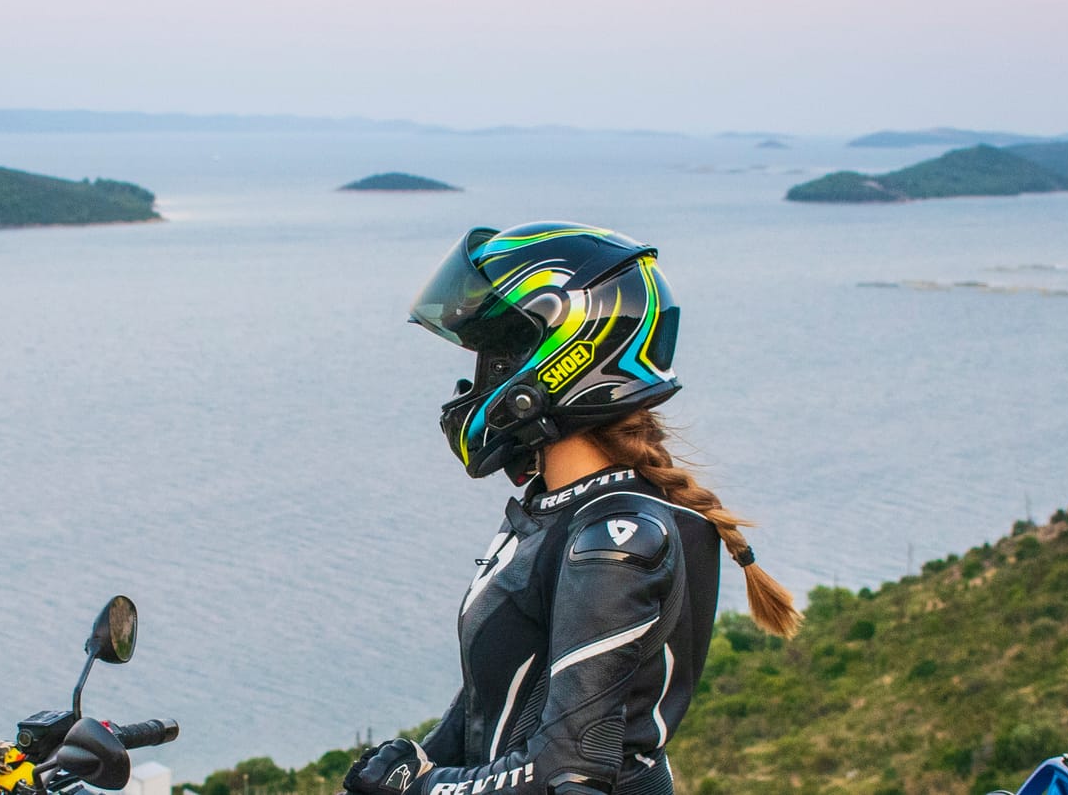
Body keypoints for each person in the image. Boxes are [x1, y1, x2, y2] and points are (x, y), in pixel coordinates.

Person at [343, 222, 803, 795]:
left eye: (496, 356)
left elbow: (568, 774)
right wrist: (417, 762)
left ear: (562, 357)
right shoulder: (562, 511)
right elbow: (495, 703)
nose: (474, 383)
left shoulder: (615, 540)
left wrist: (420, 789)